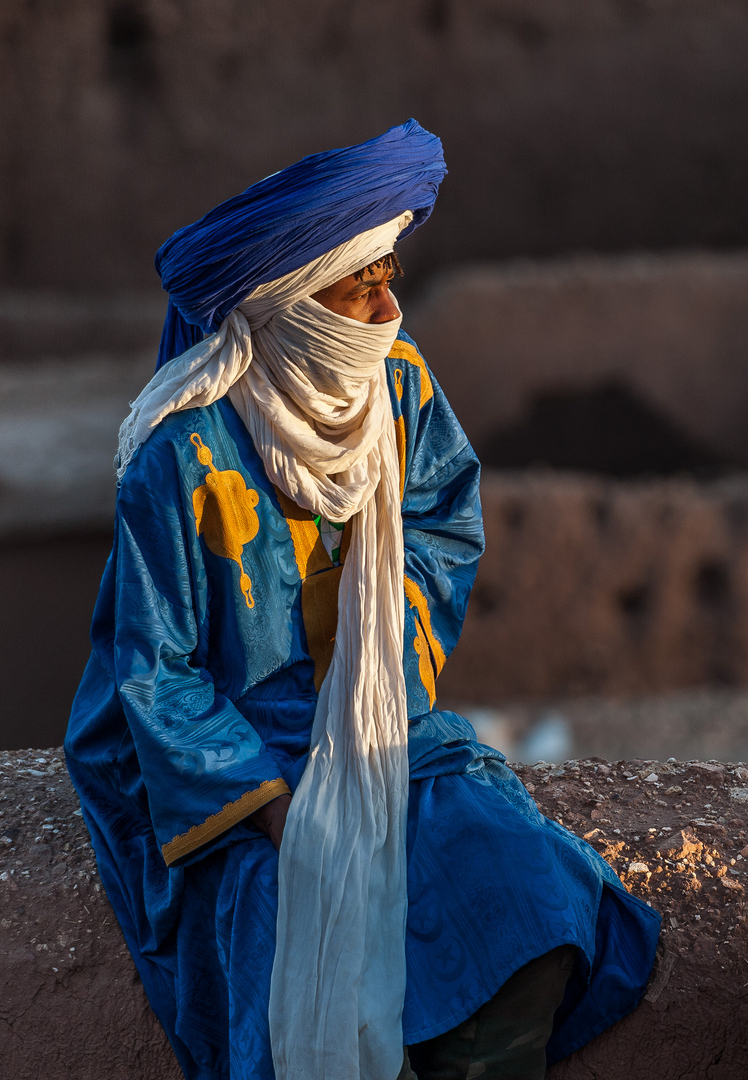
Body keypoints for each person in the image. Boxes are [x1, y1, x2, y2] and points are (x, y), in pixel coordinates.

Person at [64, 122, 660, 1080]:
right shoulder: (181, 460)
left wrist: (379, 661)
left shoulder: (398, 386)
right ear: (293, 308)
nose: (388, 306)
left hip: (382, 719)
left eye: (390, 276)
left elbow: (440, 521)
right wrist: (274, 807)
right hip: (244, 755)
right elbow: (156, 670)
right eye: (360, 287)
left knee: (524, 883)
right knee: (287, 946)